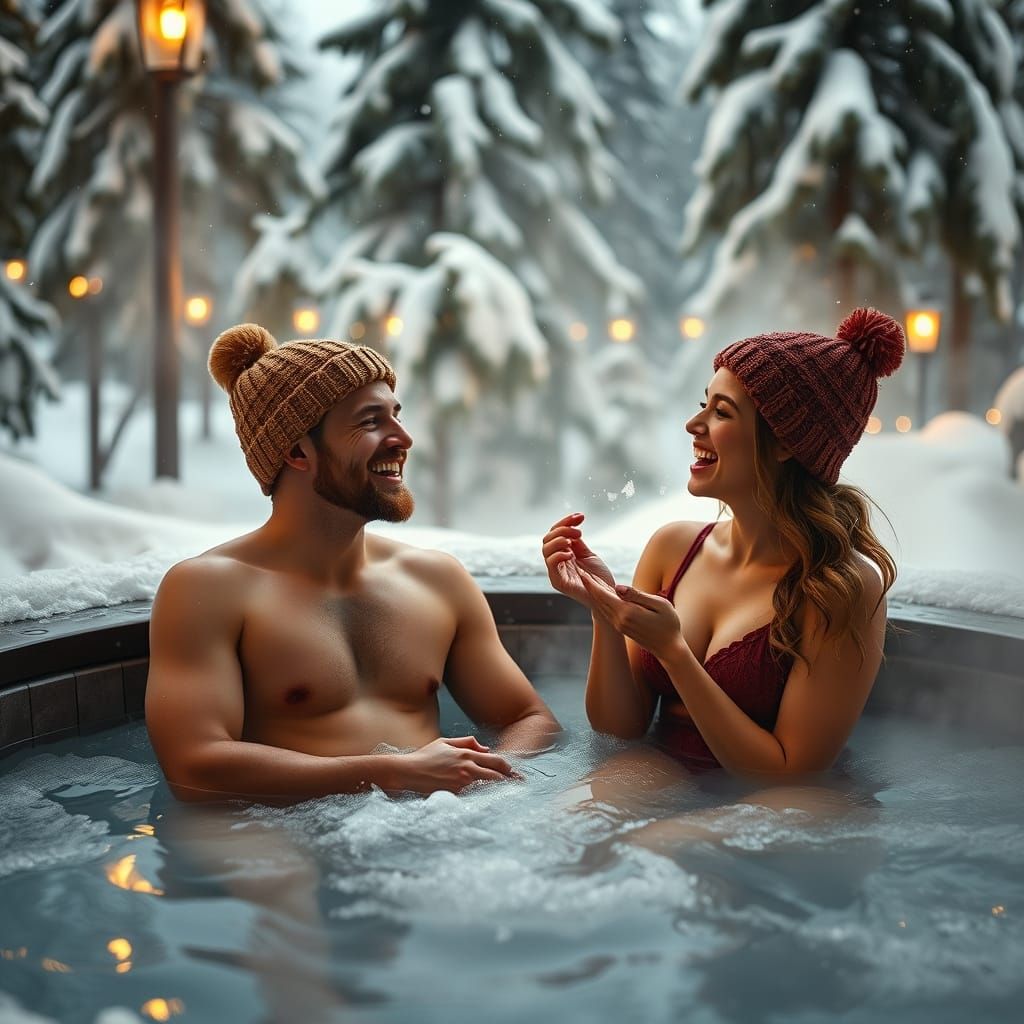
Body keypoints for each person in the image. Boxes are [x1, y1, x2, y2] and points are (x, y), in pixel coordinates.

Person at [147, 323, 559, 802]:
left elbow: (530, 720)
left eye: (396, 416)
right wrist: (394, 772)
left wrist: (488, 788)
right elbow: (195, 765)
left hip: (437, 824)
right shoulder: (207, 590)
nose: (402, 438)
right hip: (282, 832)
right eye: (370, 422)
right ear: (298, 451)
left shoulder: (437, 580)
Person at [542, 307, 903, 777]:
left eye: (722, 412)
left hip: (761, 814)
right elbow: (620, 728)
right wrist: (604, 610)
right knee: (577, 831)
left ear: (786, 443)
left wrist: (674, 653)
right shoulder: (673, 549)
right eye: (703, 403)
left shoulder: (839, 586)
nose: (695, 426)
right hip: (659, 777)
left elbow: (790, 776)